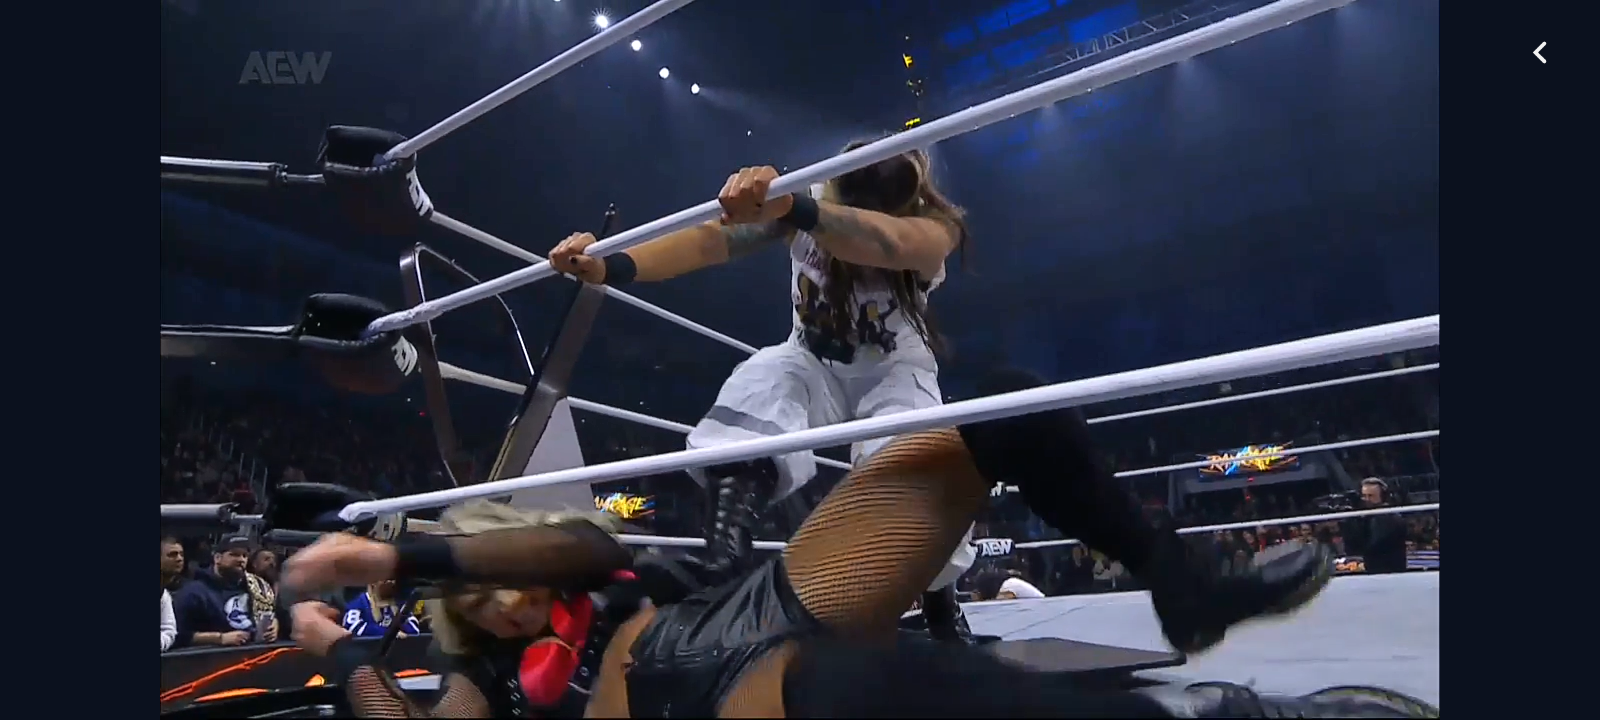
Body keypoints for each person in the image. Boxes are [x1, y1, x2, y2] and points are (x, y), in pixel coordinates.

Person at [282, 375, 1434, 718]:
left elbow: (571, 540)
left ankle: (1178, 580)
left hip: (759, 596)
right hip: (698, 694)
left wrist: (406, 557)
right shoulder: (485, 678)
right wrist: (337, 649)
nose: (494, 607)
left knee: (1001, 415)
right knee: (868, 690)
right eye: (475, 610)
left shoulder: (565, 561)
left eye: (489, 581)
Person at [549, 147, 981, 641]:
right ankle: (724, 556)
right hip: (811, 358)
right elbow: (710, 242)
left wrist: (794, 206)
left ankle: (941, 601)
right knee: (762, 383)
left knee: (915, 459)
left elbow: (891, 243)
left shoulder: (934, 227)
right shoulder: (803, 205)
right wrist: (610, 266)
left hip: (893, 371)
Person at [171, 535, 279, 647]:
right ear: (217, 558)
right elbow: (178, 635)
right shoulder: (194, 592)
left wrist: (274, 624)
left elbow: (270, 613)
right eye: (234, 554)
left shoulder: (257, 585)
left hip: (258, 651)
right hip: (217, 655)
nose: (241, 560)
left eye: (245, 555)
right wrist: (220, 638)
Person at [341, 580, 423, 638]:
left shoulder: (399, 604)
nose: (390, 582)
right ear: (373, 582)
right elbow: (352, 627)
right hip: (366, 652)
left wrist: (399, 629)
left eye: (392, 579)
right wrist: (388, 633)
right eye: (386, 580)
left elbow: (414, 628)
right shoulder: (359, 603)